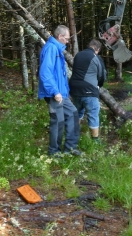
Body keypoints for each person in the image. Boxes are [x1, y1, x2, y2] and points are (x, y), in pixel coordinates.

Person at [38, 25, 81, 156]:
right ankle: (54, 152)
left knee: (73, 114)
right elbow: (45, 73)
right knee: (58, 121)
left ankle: (70, 148)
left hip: (62, 94)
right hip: (54, 94)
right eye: (67, 39)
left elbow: (60, 75)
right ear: (60, 36)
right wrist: (55, 92)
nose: (68, 41)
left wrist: (65, 92)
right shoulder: (51, 49)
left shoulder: (57, 49)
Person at [69, 39, 107, 142]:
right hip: (89, 90)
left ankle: (74, 135)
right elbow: (102, 75)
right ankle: (95, 140)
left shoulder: (78, 55)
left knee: (78, 112)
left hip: (74, 89)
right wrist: (99, 85)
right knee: (93, 113)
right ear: (97, 49)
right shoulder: (97, 58)